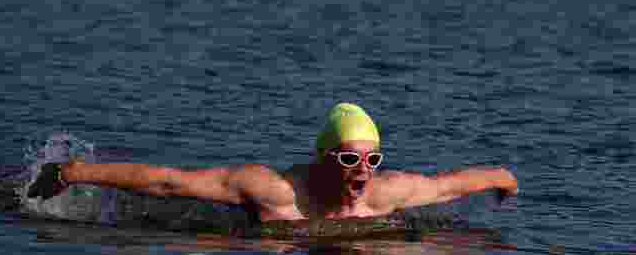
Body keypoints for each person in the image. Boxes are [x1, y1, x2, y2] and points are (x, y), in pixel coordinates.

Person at [27, 102, 518, 225]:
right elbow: (169, 183)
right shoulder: (278, 192)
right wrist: (72, 172)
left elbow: (447, 186)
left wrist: (501, 178)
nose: (363, 170)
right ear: (323, 158)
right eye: (349, 158)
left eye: (372, 159)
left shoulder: (387, 195)